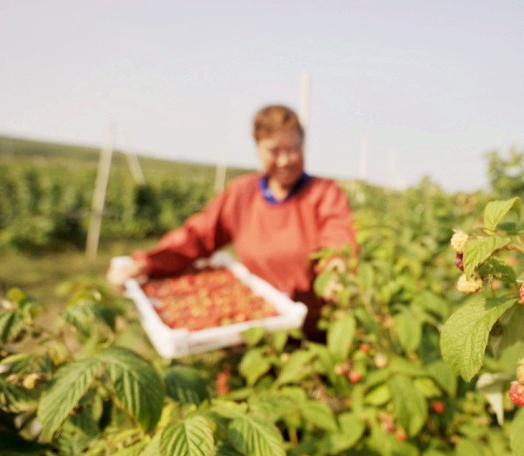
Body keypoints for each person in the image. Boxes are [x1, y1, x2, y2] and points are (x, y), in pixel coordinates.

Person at [107, 104, 356, 340]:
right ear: (257, 147)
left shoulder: (323, 194)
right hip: (255, 327)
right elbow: (198, 235)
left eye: (292, 149)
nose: (285, 160)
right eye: (274, 150)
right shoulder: (242, 193)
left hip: (311, 331)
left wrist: (336, 269)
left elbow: (338, 236)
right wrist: (147, 263)